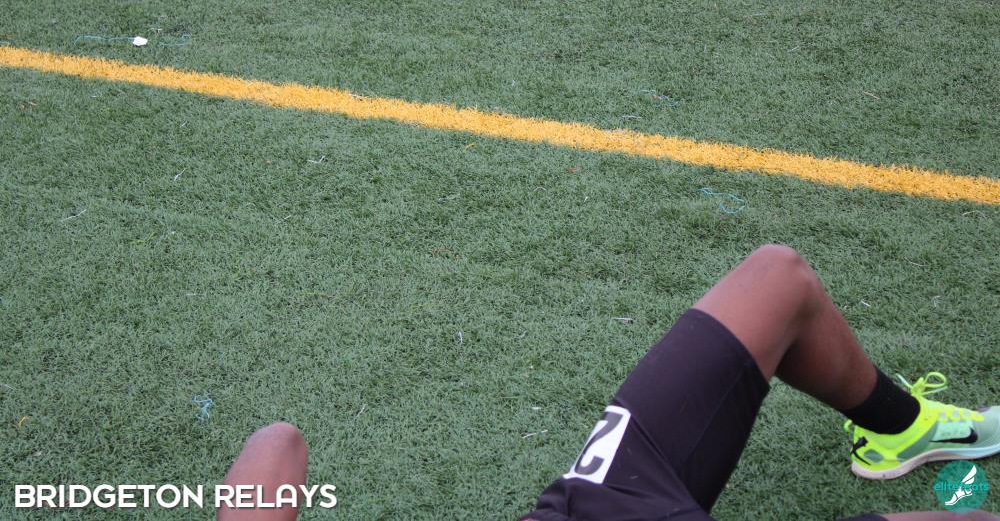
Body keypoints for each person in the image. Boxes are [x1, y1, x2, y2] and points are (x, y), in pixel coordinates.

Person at [217, 245, 1000, 520]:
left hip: (596, 506)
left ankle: (900, 426)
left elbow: (277, 443)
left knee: (777, 277)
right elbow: (275, 447)